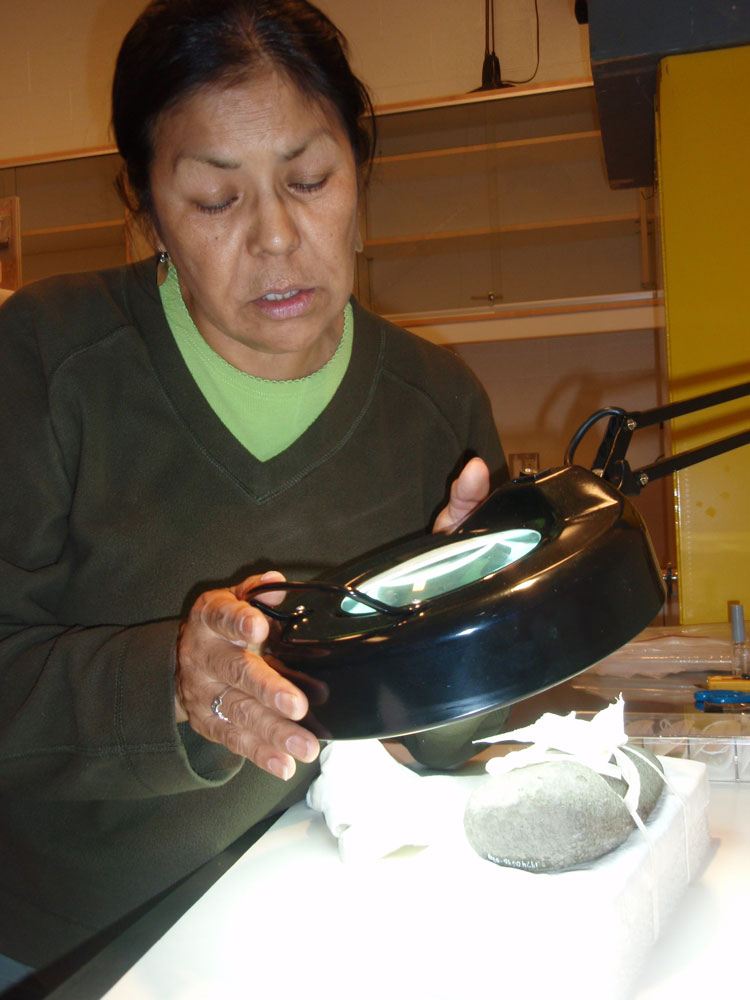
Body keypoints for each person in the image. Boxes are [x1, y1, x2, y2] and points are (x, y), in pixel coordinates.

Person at [0, 0, 507, 984]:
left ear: (359, 169)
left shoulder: (437, 408)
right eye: (214, 200)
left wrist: (466, 637)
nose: (277, 238)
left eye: (310, 179)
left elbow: (443, 741)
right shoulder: (46, 364)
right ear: (143, 202)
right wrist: (172, 691)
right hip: (64, 948)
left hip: (316, 928)